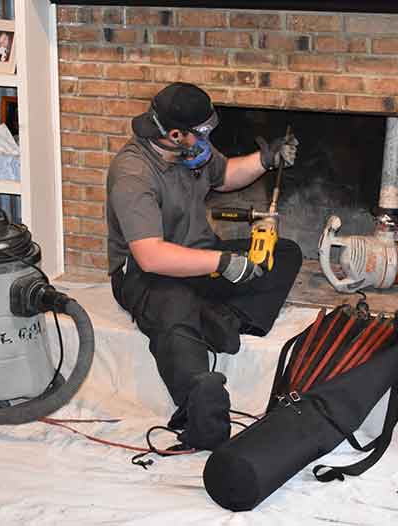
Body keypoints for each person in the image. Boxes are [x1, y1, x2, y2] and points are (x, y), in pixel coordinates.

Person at [107, 82, 302, 451]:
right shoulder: (133, 175)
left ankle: (220, 318)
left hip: (199, 255)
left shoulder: (190, 146)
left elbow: (226, 175)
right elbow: (150, 254)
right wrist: (223, 262)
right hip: (147, 273)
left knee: (284, 254)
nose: (207, 138)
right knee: (173, 310)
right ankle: (200, 398)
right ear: (174, 133)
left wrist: (265, 159)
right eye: (202, 133)